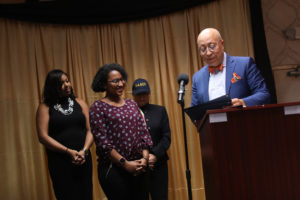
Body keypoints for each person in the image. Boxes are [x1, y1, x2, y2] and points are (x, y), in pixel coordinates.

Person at [89, 63, 153, 200]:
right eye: (115, 81)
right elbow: (102, 143)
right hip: (114, 169)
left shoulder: (132, 104)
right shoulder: (98, 107)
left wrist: (145, 159)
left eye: (122, 79)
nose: (120, 84)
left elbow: (144, 134)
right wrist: (125, 164)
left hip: (139, 167)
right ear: (104, 85)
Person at [36, 69, 93, 200]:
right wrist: (68, 151)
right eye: (61, 83)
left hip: (82, 158)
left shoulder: (80, 102)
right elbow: (43, 137)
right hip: (60, 161)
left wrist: (83, 150)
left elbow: (91, 130)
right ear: (52, 87)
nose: (67, 85)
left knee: (86, 194)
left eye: (67, 81)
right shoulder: (45, 107)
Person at [191, 28, 270, 107]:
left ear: (222, 44)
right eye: (203, 49)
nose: (208, 53)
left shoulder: (244, 64)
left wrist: (242, 102)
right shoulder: (197, 78)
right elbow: (195, 110)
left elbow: (263, 94)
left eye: (212, 46)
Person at [132, 78, 171, 200]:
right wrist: (142, 159)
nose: (142, 97)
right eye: (139, 94)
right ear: (133, 95)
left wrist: (154, 154)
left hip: (158, 163)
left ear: (149, 94)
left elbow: (166, 137)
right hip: (136, 165)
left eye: (144, 94)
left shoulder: (160, 110)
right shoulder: (128, 113)